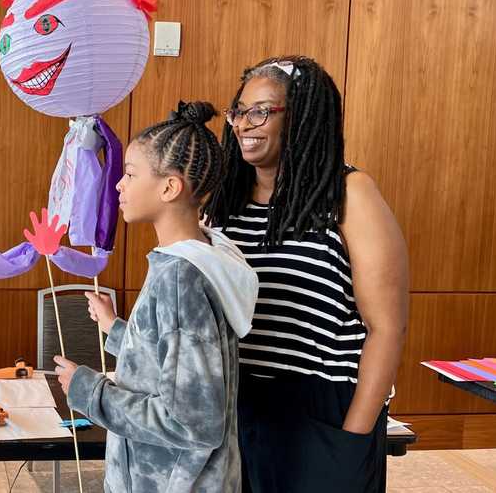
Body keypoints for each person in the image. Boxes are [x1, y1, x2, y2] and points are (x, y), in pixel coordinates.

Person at [205, 56, 409, 492]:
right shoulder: (223, 201)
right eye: (239, 111)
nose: (243, 124)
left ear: (301, 117)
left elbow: (386, 328)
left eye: (261, 110)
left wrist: (352, 439)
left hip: (322, 408)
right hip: (234, 405)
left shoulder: (349, 193)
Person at [53, 102, 258, 492]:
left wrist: (87, 390)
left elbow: (191, 422)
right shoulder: (204, 255)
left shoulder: (180, 277)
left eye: (130, 174)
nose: (119, 185)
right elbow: (175, 358)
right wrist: (115, 328)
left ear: (169, 187)